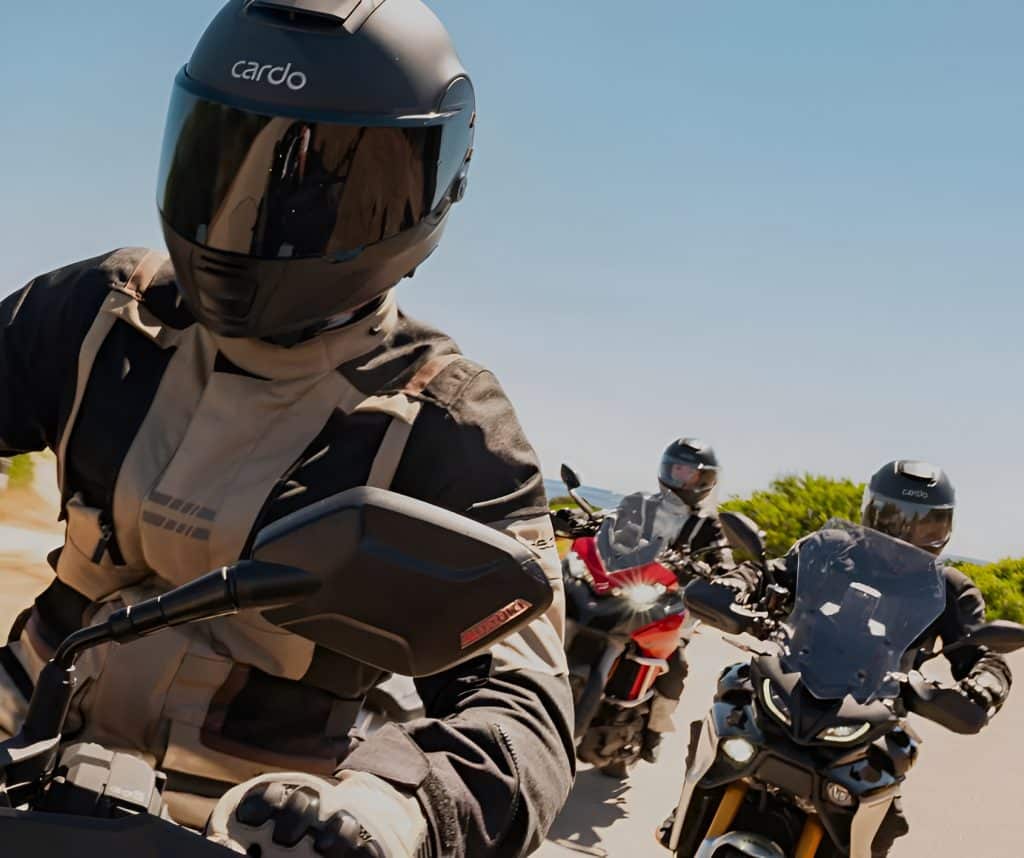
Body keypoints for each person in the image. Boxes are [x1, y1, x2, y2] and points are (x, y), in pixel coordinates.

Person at [0, 2, 573, 856]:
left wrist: (393, 811)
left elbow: (523, 702)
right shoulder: (100, 313)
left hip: (248, 832)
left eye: (318, 187)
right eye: (228, 158)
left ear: (423, 191)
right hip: (19, 753)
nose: (255, 213)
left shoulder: (445, 421)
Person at [658, 459, 1012, 855]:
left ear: (945, 528)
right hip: (794, 675)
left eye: (926, 524)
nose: (907, 533)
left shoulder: (949, 589)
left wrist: (985, 684)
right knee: (733, 693)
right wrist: (736, 583)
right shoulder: (827, 550)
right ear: (872, 513)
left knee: (887, 788)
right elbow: (771, 573)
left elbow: (981, 651)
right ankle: (687, 813)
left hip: (872, 709)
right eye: (895, 518)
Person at [556, 439, 734, 765]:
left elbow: (723, 559)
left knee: (676, 664)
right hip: (622, 588)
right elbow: (609, 521)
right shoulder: (641, 504)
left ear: (704, 479)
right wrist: (576, 520)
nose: (680, 477)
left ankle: (654, 732)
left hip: (667, 603)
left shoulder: (706, 526)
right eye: (675, 468)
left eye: (689, 472)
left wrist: (720, 574)